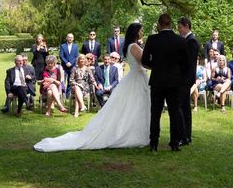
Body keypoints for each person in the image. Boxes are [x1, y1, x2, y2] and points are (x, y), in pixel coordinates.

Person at [34, 22, 149, 152]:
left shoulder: (130, 45)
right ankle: (134, 133)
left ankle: (135, 129)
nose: (142, 32)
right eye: (141, 30)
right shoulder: (134, 46)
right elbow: (145, 62)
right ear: (136, 32)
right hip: (137, 77)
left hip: (136, 77)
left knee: (135, 106)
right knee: (137, 105)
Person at [141, 14, 189, 152]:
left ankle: (154, 143)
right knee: (174, 112)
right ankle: (174, 143)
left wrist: (155, 65)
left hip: (157, 80)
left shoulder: (152, 39)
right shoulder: (180, 40)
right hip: (174, 81)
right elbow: (186, 63)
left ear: (159, 24)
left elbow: (144, 60)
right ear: (170, 24)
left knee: (155, 113)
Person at [177, 16, 200, 145]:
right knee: (185, 107)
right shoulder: (187, 40)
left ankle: (183, 135)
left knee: (180, 107)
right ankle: (186, 136)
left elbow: (188, 63)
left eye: (180, 27)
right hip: (185, 79)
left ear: (186, 26)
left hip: (184, 79)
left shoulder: (191, 42)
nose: (179, 30)